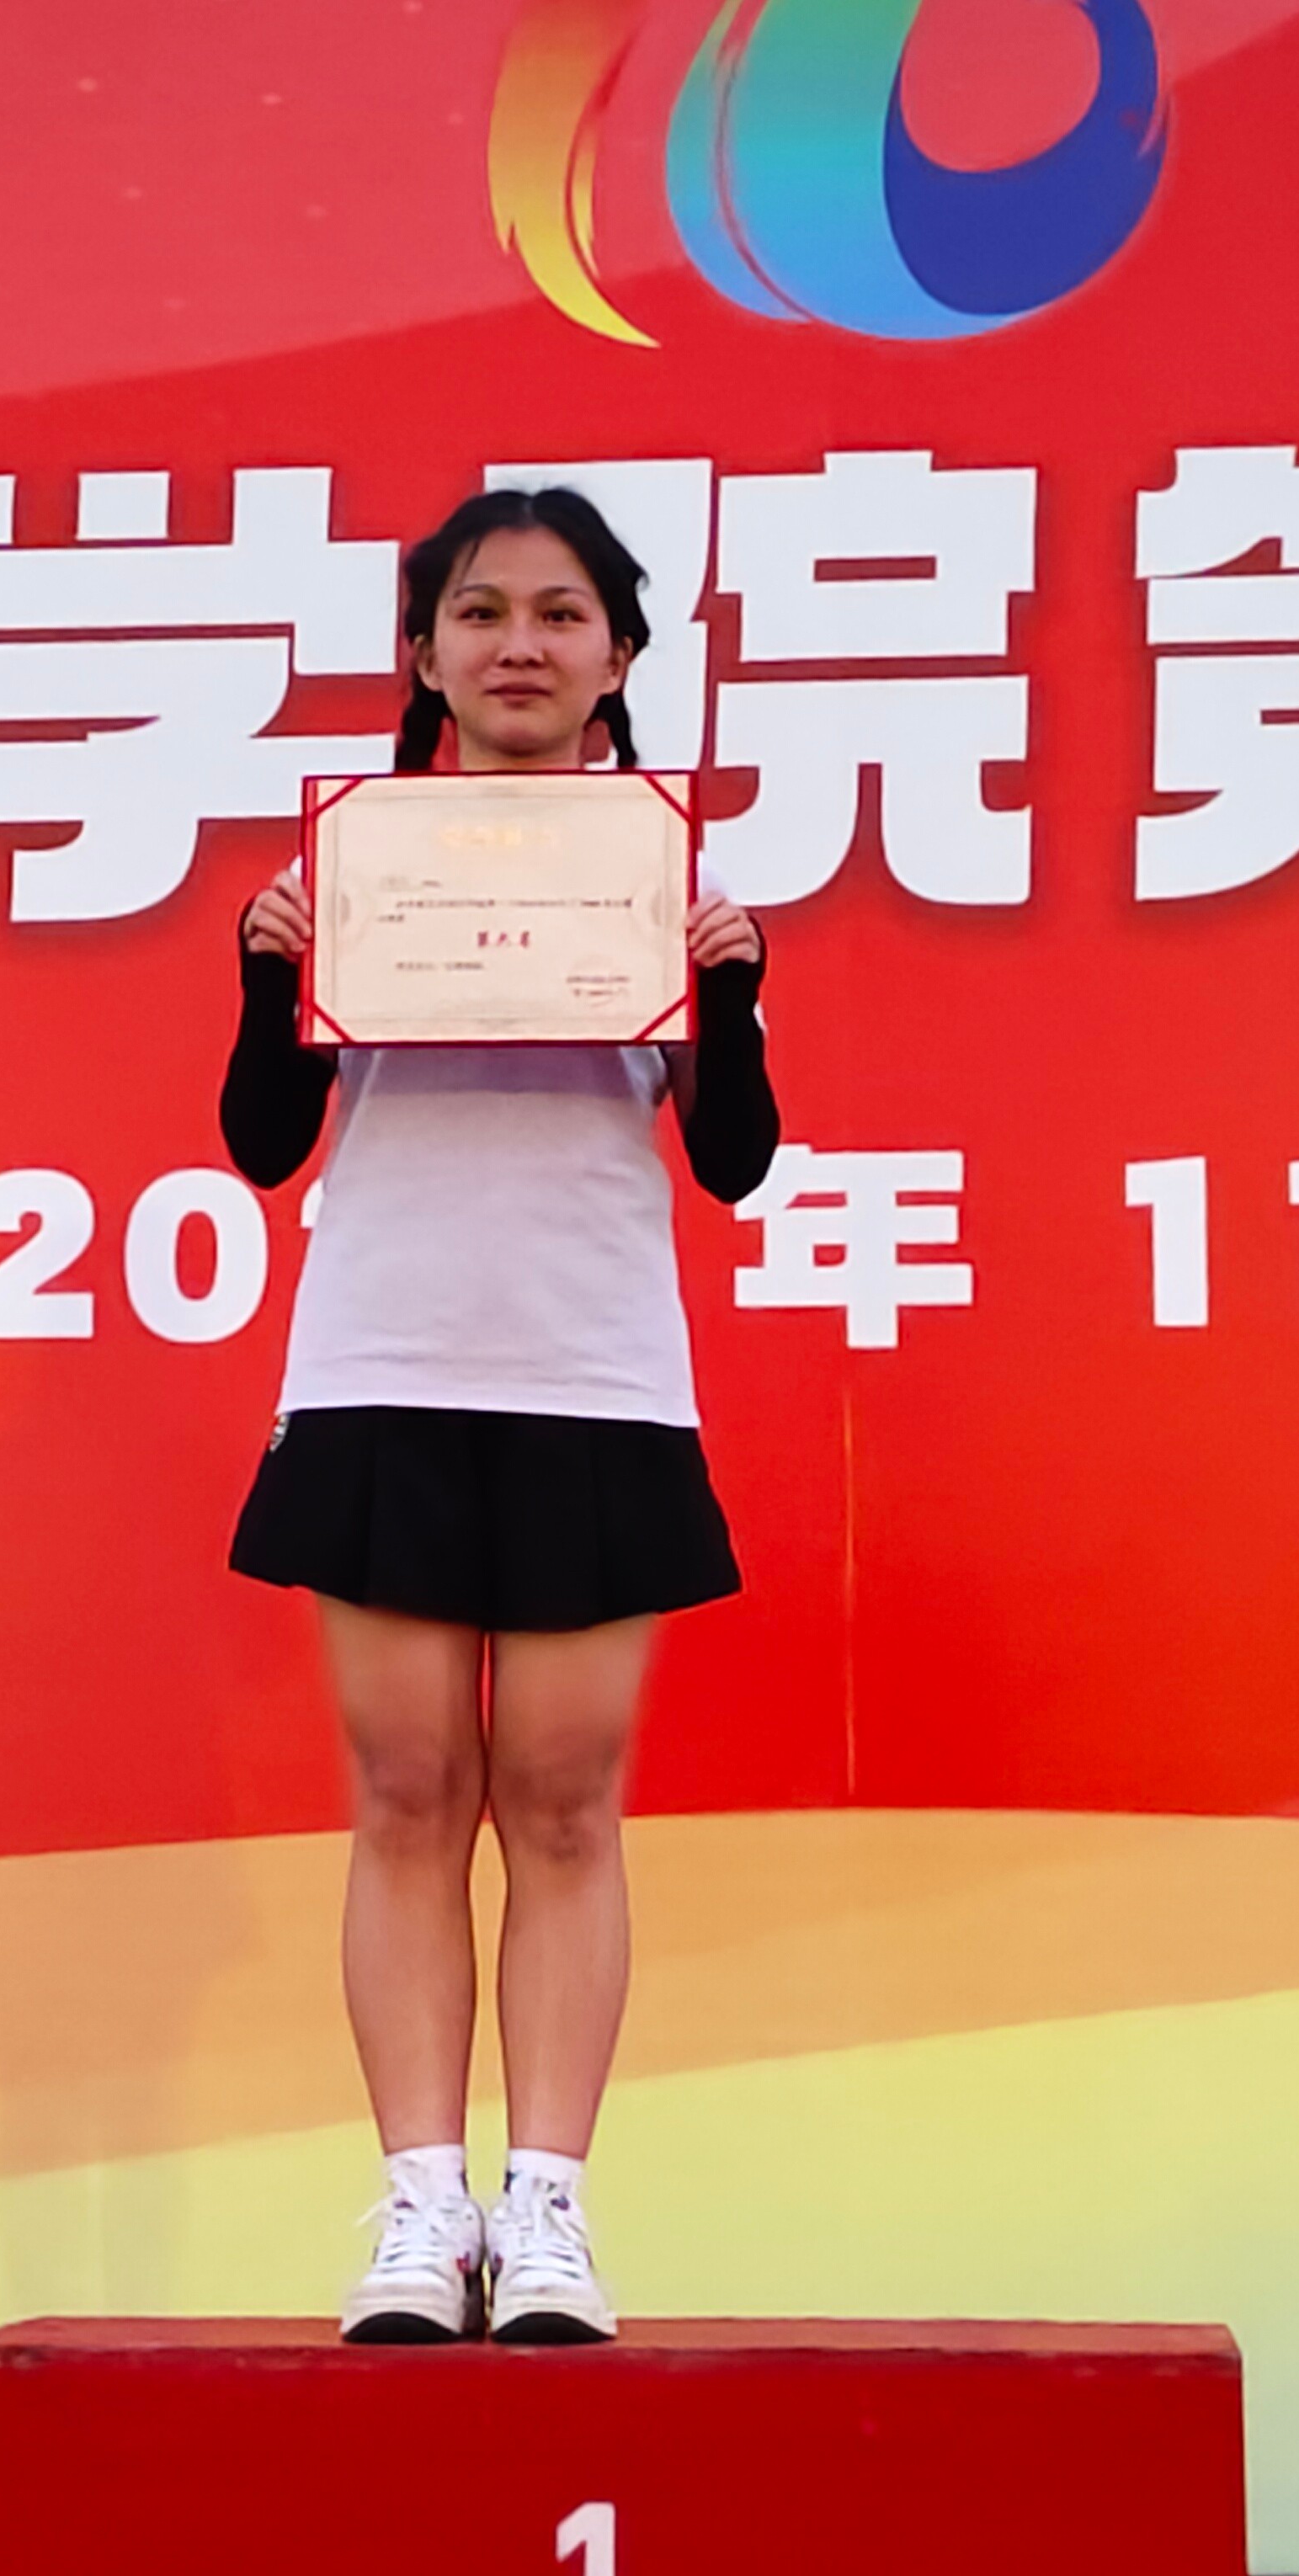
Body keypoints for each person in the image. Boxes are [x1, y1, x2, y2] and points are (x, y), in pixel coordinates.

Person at [217, 487, 780, 2344]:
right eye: (479, 612)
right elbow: (266, 1142)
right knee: (404, 1792)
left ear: (619, 656)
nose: (518, 644)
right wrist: (270, 974)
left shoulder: (660, 874)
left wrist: (729, 996)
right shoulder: (357, 865)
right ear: (425, 652)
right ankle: (418, 2208)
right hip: (383, 1359)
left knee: (562, 1797)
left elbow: (735, 1161)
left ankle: (546, 2212)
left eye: (558, 613)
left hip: (588, 1371)